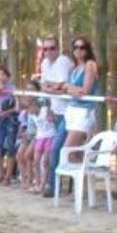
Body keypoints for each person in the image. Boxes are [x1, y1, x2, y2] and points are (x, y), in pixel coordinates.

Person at [36, 36, 74, 197]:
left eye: (52, 48)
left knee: (56, 148)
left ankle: (53, 186)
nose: (49, 52)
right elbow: (45, 86)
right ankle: (66, 184)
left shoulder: (63, 61)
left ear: (57, 49)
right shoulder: (45, 64)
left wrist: (51, 87)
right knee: (64, 151)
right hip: (56, 112)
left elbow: (62, 86)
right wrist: (50, 102)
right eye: (46, 49)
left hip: (69, 112)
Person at [63, 36, 101, 153]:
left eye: (82, 47)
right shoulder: (75, 68)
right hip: (71, 110)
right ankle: (84, 172)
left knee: (67, 150)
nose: (79, 50)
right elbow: (68, 90)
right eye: (76, 47)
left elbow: (85, 91)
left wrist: (70, 87)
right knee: (75, 152)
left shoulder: (90, 64)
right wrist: (73, 90)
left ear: (87, 50)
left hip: (83, 111)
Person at [0, 67, 19, 184]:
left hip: (10, 118)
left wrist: (8, 112)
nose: (1, 76)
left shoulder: (12, 88)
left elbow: (17, 106)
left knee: (10, 147)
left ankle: (8, 177)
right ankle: (1, 173)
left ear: (8, 76)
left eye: (4, 74)